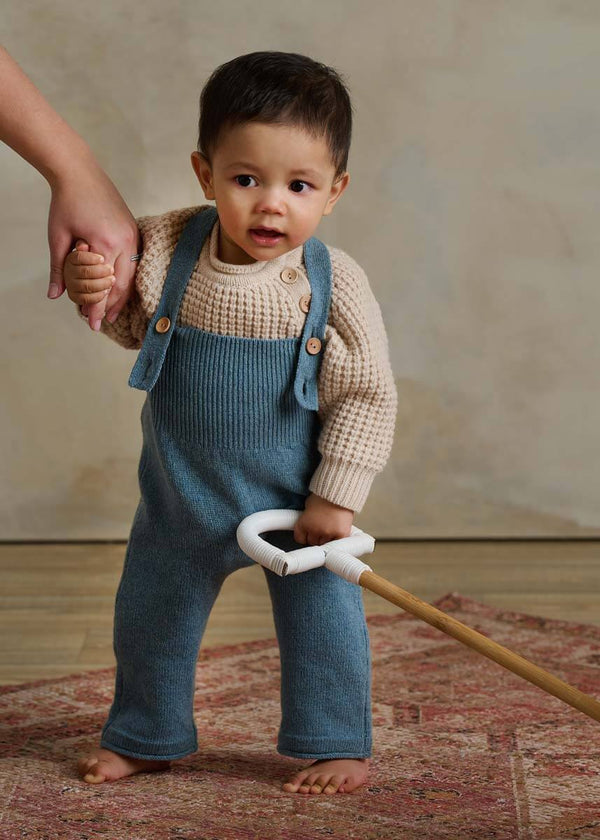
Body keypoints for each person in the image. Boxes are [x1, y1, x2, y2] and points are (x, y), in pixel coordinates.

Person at [62, 51, 397, 795]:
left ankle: (337, 740)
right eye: (246, 180)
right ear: (205, 173)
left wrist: (335, 497)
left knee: (326, 625)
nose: (271, 205)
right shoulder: (165, 247)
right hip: (182, 497)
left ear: (334, 191)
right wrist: (97, 282)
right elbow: (127, 319)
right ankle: (147, 734)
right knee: (149, 618)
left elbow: (366, 395)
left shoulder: (333, 283)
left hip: (295, 506)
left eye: (299, 186)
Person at [0, 45, 138, 329]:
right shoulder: (180, 241)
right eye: (236, 179)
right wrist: (92, 274)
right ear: (206, 176)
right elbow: (133, 299)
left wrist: (75, 170)